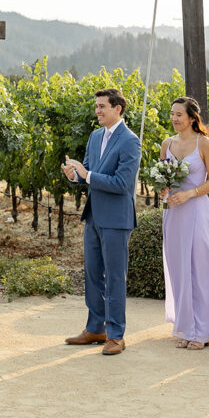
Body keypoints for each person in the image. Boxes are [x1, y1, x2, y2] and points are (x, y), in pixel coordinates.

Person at [61, 88, 141, 355]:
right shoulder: (95, 137)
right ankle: (96, 328)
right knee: (93, 273)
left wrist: (89, 174)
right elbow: (86, 173)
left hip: (117, 219)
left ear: (118, 108)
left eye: (102, 106)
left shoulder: (130, 141)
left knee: (115, 278)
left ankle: (116, 335)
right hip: (93, 216)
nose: (97, 111)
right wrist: (74, 175)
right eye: (96, 106)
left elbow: (122, 184)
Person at [161, 95, 209, 349]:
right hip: (173, 214)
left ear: (192, 118)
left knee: (202, 268)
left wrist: (189, 193)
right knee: (179, 268)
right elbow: (163, 177)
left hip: (197, 211)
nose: (174, 119)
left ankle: (203, 331)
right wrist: (164, 190)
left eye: (179, 115)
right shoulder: (167, 143)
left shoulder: (205, 144)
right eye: (172, 114)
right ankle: (186, 327)